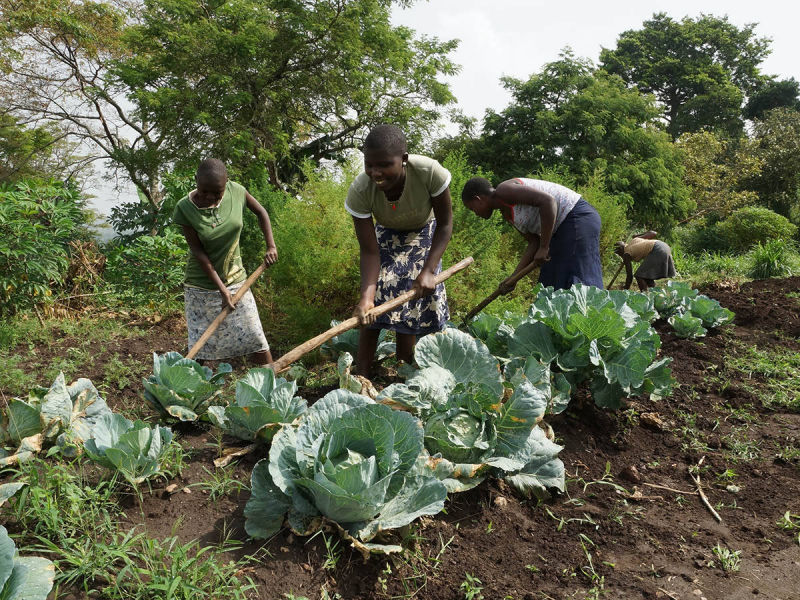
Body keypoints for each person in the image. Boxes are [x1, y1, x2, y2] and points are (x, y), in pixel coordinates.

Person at [345, 124, 453, 376]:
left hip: (425, 231)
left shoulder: (429, 172)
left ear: (403, 160)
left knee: (415, 286)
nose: (375, 172)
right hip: (387, 233)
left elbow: (446, 224)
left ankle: (406, 364)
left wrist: (428, 271)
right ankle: (362, 374)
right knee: (378, 290)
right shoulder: (361, 190)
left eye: (383, 164)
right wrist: (366, 298)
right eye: (369, 165)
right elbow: (370, 251)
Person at [173, 158, 277, 365]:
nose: (210, 197)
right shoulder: (185, 208)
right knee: (200, 348)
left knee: (257, 339)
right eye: (204, 191)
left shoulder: (236, 191)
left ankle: (271, 389)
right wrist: (222, 290)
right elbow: (198, 252)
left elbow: (261, 213)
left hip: (237, 280)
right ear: (196, 181)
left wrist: (271, 246)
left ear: (226, 184)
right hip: (201, 287)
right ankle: (187, 393)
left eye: (217, 192)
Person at [461, 177, 603, 292]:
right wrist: (513, 278)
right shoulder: (507, 214)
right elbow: (534, 243)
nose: (476, 214)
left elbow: (548, 202)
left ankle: (595, 322)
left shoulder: (504, 191)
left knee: (576, 279)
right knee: (549, 281)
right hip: (561, 229)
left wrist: (544, 247)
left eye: (473, 208)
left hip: (577, 217)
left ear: (478, 199)